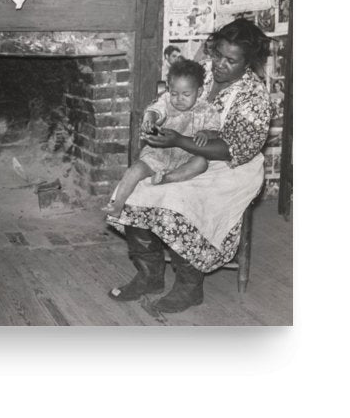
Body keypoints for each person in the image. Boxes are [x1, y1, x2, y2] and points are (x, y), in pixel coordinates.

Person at [106, 18, 271, 315]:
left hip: (230, 167)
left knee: (178, 202)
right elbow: (170, 102)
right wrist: (158, 126)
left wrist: (179, 141)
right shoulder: (203, 72)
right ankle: (150, 276)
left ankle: (189, 287)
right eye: (217, 54)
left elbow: (233, 148)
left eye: (230, 60)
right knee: (134, 190)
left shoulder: (254, 96)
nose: (219, 64)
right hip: (181, 152)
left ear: (248, 62)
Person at [105, 59, 221, 218]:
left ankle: (167, 178)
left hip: (186, 158)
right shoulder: (166, 101)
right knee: (135, 169)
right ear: (168, 90)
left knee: (201, 163)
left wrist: (206, 134)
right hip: (159, 154)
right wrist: (149, 120)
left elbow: (215, 130)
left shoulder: (207, 110)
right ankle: (117, 205)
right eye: (174, 93)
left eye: (186, 94)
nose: (179, 99)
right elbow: (154, 111)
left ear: (199, 92)